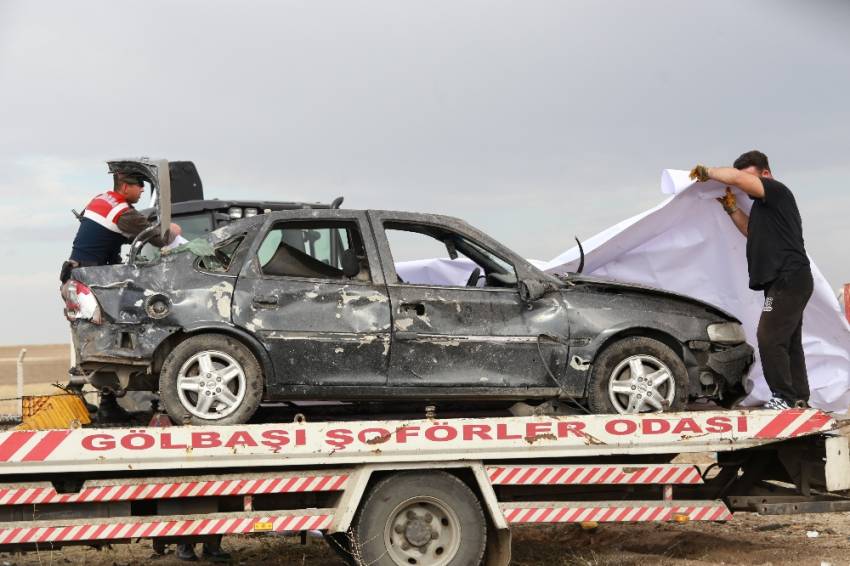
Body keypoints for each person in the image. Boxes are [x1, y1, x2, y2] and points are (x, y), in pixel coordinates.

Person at [690, 150, 813, 410]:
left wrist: (708, 172)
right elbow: (750, 231)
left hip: (788, 278)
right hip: (789, 279)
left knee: (769, 337)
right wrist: (732, 209)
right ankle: (798, 397)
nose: (742, 186)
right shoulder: (764, 209)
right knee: (789, 342)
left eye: (747, 179)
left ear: (765, 174)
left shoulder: (776, 191)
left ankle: (784, 397)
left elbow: (735, 178)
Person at [61, 172, 182, 421]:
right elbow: (159, 238)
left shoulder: (101, 199)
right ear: (125, 186)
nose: (141, 191)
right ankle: (76, 390)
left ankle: (106, 403)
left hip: (81, 275)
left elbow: (108, 238)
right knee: (107, 339)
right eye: (139, 186)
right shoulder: (122, 212)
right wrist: (173, 230)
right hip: (94, 281)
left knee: (101, 337)